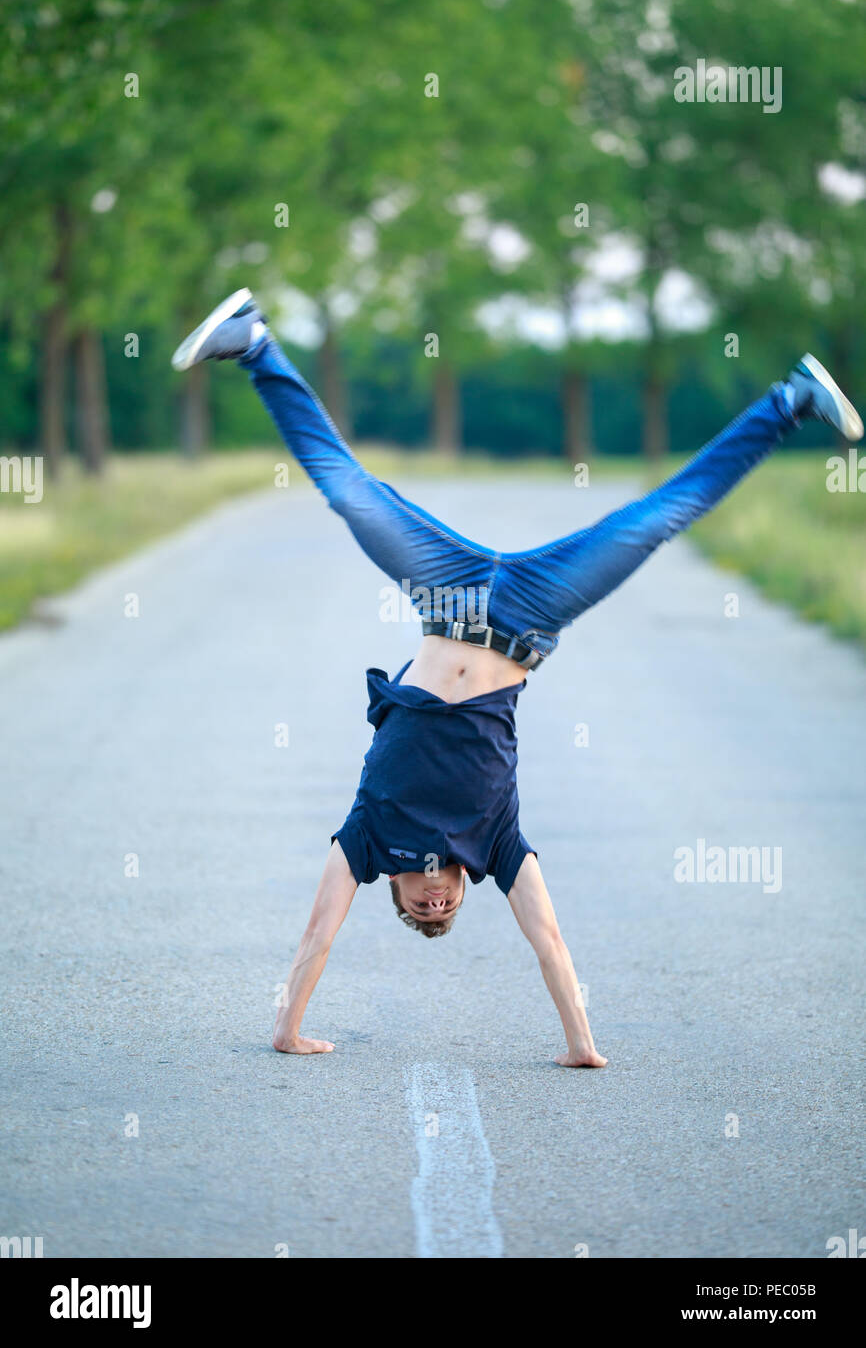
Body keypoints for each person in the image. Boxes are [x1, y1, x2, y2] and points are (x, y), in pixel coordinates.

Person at [172, 289, 863, 1066]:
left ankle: (256, 344)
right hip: (532, 615)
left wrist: (286, 1029)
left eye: (420, 909)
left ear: (394, 890)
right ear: (464, 889)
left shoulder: (366, 841)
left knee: (347, 491)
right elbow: (550, 941)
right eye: (446, 911)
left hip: (445, 592)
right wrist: (581, 1044)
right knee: (656, 520)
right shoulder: (496, 845)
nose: (435, 904)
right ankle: (790, 399)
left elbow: (316, 934)